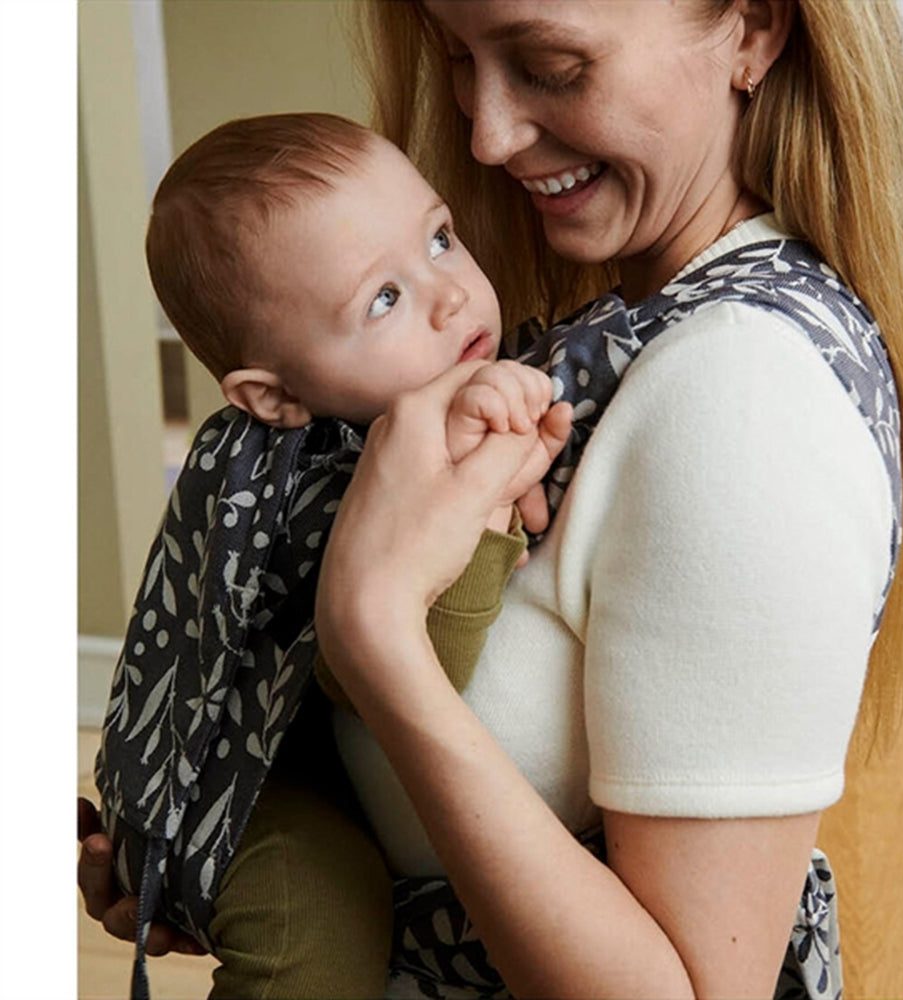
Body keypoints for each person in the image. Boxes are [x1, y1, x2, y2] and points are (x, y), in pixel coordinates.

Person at [83, 1, 903, 997]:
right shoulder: (589, 329)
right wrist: (206, 845)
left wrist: (373, 629)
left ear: (752, 28)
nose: (484, 135)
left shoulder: (740, 392)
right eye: (455, 55)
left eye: (550, 63)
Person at [81, 111, 572, 999]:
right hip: (238, 787)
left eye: (439, 238)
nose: (450, 296)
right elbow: (391, 676)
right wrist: (488, 511)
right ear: (274, 398)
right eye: (383, 299)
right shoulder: (309, 488)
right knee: (317, 924)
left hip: (305, 758)